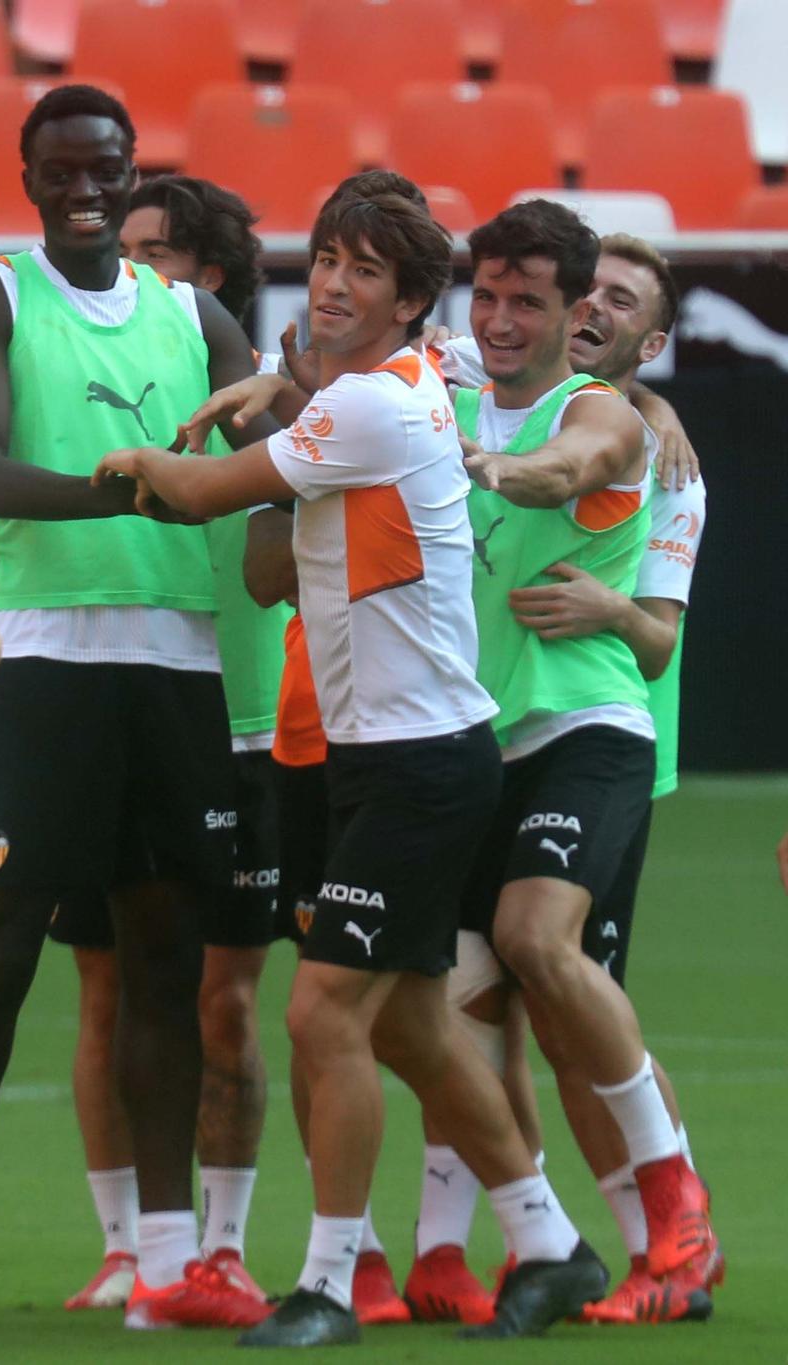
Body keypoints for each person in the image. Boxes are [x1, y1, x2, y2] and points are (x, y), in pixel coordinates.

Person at [105, 190, 605, 1346]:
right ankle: (548, 1247)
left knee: (322, 1015)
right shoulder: (392, 386)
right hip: (376, 761)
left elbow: (198, 499)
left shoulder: (375, 406)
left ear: (409, 302)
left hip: (416, 768)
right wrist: (272, 394)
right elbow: (296, 450)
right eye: (325, 260)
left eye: (364, 273)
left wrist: (136, 452)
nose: (332, 285)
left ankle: (329, 1283)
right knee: (409, 1027)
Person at [0, 83, 275, 1330]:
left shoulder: (196, 313)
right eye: (63, 169)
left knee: (164, 955)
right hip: (43, 659)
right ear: (28, 178)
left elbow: (268, 434)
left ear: (132, 172)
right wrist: (138, 493)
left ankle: (167, 1264)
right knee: (5, 942)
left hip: (176, 664)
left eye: (107, 167)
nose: (87, 187)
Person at [415, 232, 722, 1325]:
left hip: (603, 732)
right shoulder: (456, 372)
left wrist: (608, 607)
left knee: (551, 973)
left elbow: (655, 643)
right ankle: (483, 1248)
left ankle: (665, 1231)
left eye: (617, 301)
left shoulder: (655, 456)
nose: (591, 309)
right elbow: (347, 367)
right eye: (583, 292)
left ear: (649, 335)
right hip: (474, 737)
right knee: (469, 1008)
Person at [28, 173, 287, 1314]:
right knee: (101, 991)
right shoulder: (81, 364)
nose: (119, 270)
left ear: (209, 278)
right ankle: (130, 1243)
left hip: (239, 725)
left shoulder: (271, 394)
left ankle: (220, 1245)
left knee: (220, 998)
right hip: (112, 706)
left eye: (149, 254)